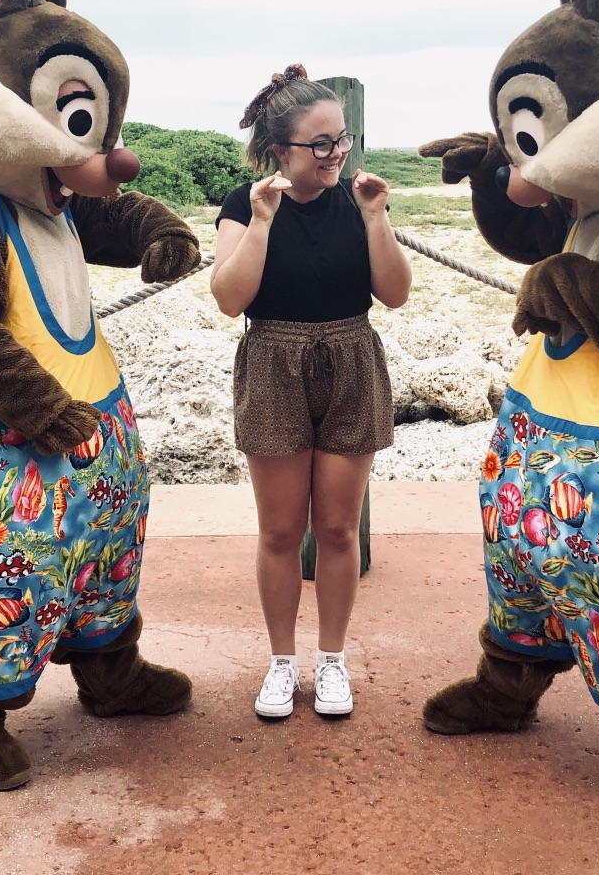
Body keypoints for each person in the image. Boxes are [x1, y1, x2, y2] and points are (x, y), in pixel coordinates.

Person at [210, 64, 412, 719]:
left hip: (352, 355)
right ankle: (279, 664)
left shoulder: (359, 198)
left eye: (341, 139)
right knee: (278, 530)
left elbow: (396, 292)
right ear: (281, 151)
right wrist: (264, 221)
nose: (335, 154)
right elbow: (228, 298)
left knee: (335, 526)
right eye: (320, 144)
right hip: (273, 358)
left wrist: (377, 217)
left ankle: (330, 662)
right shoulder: (245, 204)